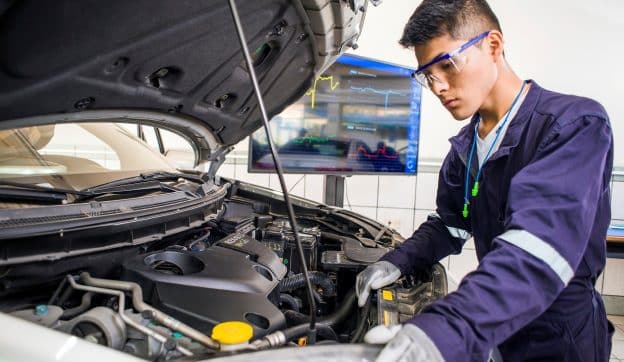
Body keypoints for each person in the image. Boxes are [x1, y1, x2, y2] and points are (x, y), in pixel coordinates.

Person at [355, 1, 615, 361]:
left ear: (493, 45)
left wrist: (447, 329)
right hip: (499, 328)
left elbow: (538, 250)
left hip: (560, 338)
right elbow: (450, 227)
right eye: (427, 75)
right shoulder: (464, 149)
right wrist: (394, 262)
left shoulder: (573, 125)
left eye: (447, 65)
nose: (438, 86)